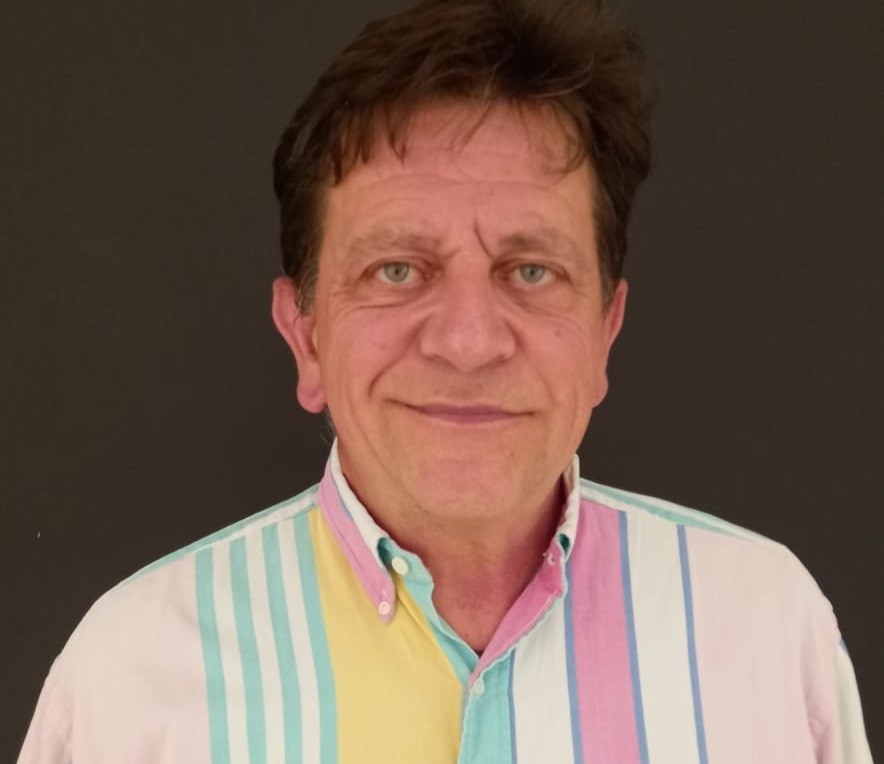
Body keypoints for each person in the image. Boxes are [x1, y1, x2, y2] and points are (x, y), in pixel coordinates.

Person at [18, 0, 872, 762]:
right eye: (397, 269)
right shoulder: (131, 677)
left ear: (604, 334)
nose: (468, 342)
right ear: (306, 336)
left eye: (531, 271)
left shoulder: (768, 632)